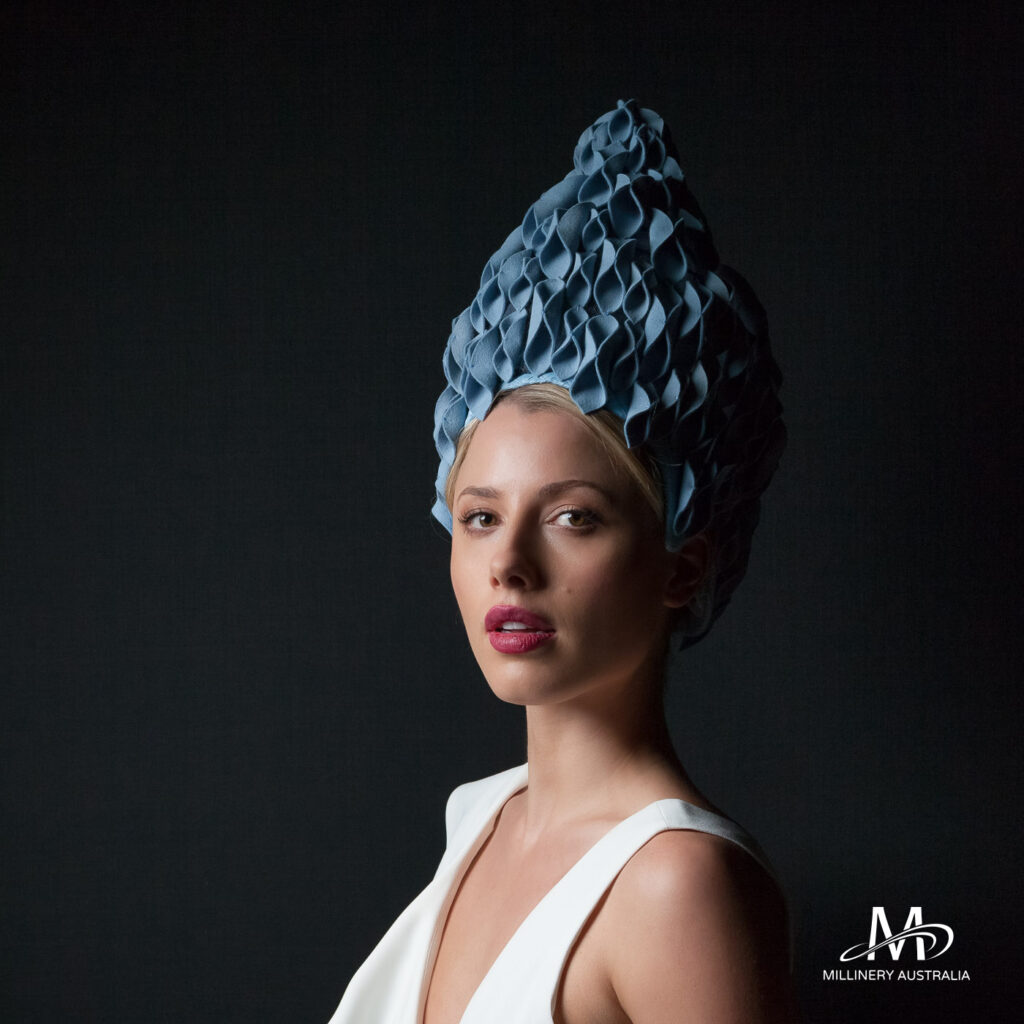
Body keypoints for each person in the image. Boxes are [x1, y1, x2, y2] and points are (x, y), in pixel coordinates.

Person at [328, 100, 794, 1023]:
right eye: (479, 517)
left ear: (682, 566)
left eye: (573, 517)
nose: (508, 563)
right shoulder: (481, 820)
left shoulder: (676, 886)